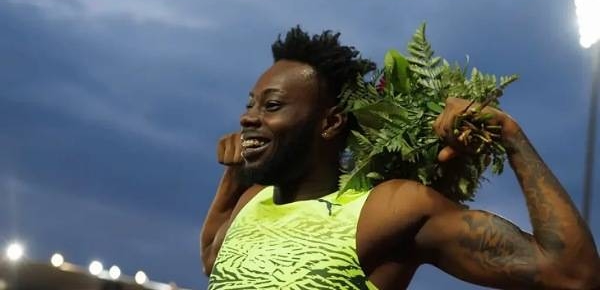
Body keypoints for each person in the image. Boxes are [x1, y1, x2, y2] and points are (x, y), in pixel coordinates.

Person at [201, 26, 600, 289]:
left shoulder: (384, 211)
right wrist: (235, 176)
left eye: (271, 106)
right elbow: (211, 258)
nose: (247, 117)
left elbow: (571, 274)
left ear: (331, 122)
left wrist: (509, 135)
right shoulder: (251, 201)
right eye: (250, 104)